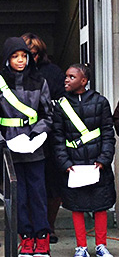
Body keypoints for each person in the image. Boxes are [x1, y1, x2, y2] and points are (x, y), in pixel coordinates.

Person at [0, 37, 53, 257]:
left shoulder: (40, 82)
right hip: (9, 148)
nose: (20, 60)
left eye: (24, 56)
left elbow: (48, 114)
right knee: (17, 196)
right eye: (15, 56)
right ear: (7, 59)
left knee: (38, 195)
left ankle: (42, 238)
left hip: (35, 147)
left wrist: (36, 133)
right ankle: (26, 238)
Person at [52, 64, 116, 257]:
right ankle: (80, 247)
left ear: (84, 81)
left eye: (71, 77)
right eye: (66, 76)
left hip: (98, 165)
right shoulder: (61, 105)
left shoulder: (100, 102)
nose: (66, 80)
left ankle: (101, 246)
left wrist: (104, 159)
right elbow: (58, 137)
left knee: (101, 205)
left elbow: (108, 133)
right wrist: (65, 163)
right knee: (76, 206)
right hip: (74, 166)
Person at [22, 32, 65, 244]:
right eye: (25, 53)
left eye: (34, 53)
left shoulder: (54, 73)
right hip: (23, 136)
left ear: (41, 53)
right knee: (28, 182)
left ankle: (50, 226)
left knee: (53, 183)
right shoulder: (13, 73)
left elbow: (60, 104)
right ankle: (29, 228)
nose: (30, 58)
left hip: (51, 135)